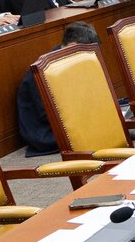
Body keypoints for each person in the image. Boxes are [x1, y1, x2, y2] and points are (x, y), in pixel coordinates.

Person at [17, 21, 98, 155]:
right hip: (45, 131)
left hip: (70, 117)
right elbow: (47, 114)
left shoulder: (71, 58)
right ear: (72, 46)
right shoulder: (43, 70)